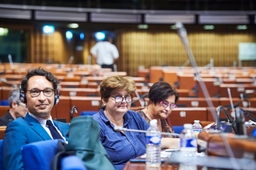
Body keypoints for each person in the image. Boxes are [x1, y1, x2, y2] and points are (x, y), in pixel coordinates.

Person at [3, 67, 69, 170]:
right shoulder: (17, 128)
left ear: (55, 96)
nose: (42, 98)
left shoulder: (66, 128)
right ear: (23, 97)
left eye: (47, 91)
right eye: (35, 92)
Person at [92, 75, 149, 170]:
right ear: (104, 100)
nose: (124, 101)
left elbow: (155, 139)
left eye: (127, 97)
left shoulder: (135, 116)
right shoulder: (95, 124)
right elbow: (95, 163)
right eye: (118, 97)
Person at [137, 81, 180, 149]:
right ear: (153, 99)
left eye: (172, 105)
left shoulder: (164, 118)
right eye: (164, 103)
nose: (168, 109)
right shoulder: (138, 118)